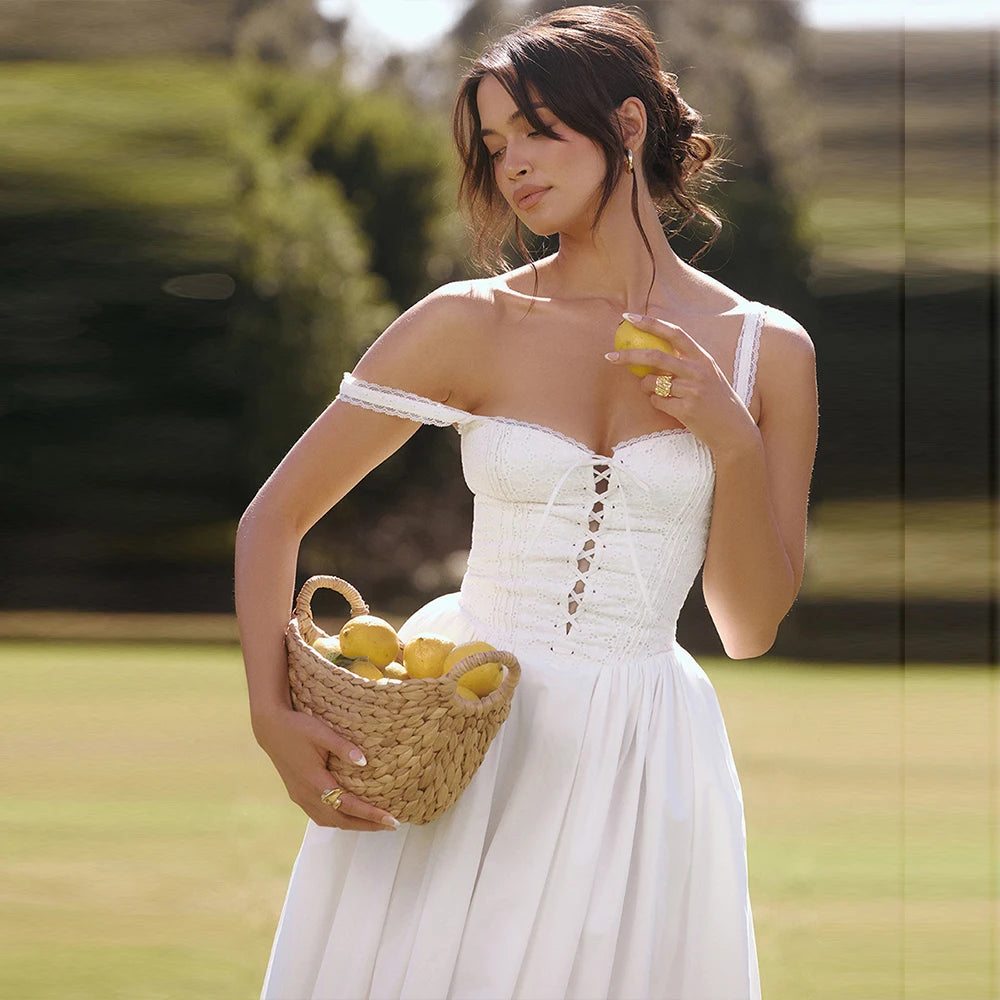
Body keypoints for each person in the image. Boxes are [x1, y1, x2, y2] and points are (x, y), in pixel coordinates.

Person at [235, 6, 818, 998]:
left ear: (627, 128)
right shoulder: (468, 324)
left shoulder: (770, 351)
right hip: (460, 730)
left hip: (640, 756)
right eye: (494, 142)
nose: (511, 166)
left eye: (538, 131)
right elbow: (273, 518)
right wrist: (270, 715)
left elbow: (748, 623)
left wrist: (727, 434)